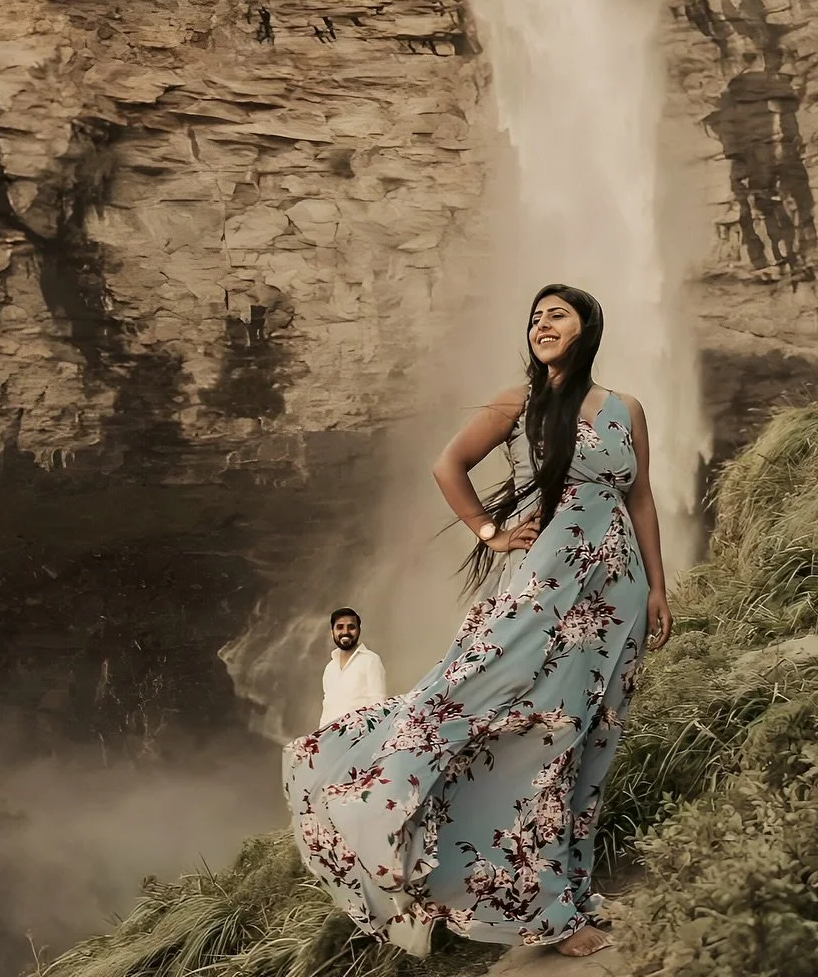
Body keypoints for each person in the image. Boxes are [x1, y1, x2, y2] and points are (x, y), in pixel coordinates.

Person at [283, 284, 671, 959]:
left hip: (618, 599)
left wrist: (659, 589)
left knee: (589, 744)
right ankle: (370, 798)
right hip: (542, 590)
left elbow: (639, 499)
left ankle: (568, 896)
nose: (542, 324)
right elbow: (448, 464)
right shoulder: (520, 403)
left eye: (557, 314)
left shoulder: (627, 409)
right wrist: (491, 533)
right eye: (535, 317)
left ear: (588, 327)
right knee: (509, 722)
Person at [321, 608, 388, 725]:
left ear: (359, 630)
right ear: (332, 632)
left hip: (359, 737)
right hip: (330, 739)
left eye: (351, 627)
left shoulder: (371, 660)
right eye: (340, 627)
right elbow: (327, 709)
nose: (346, 632)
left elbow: (379, 705)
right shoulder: (330, 668)